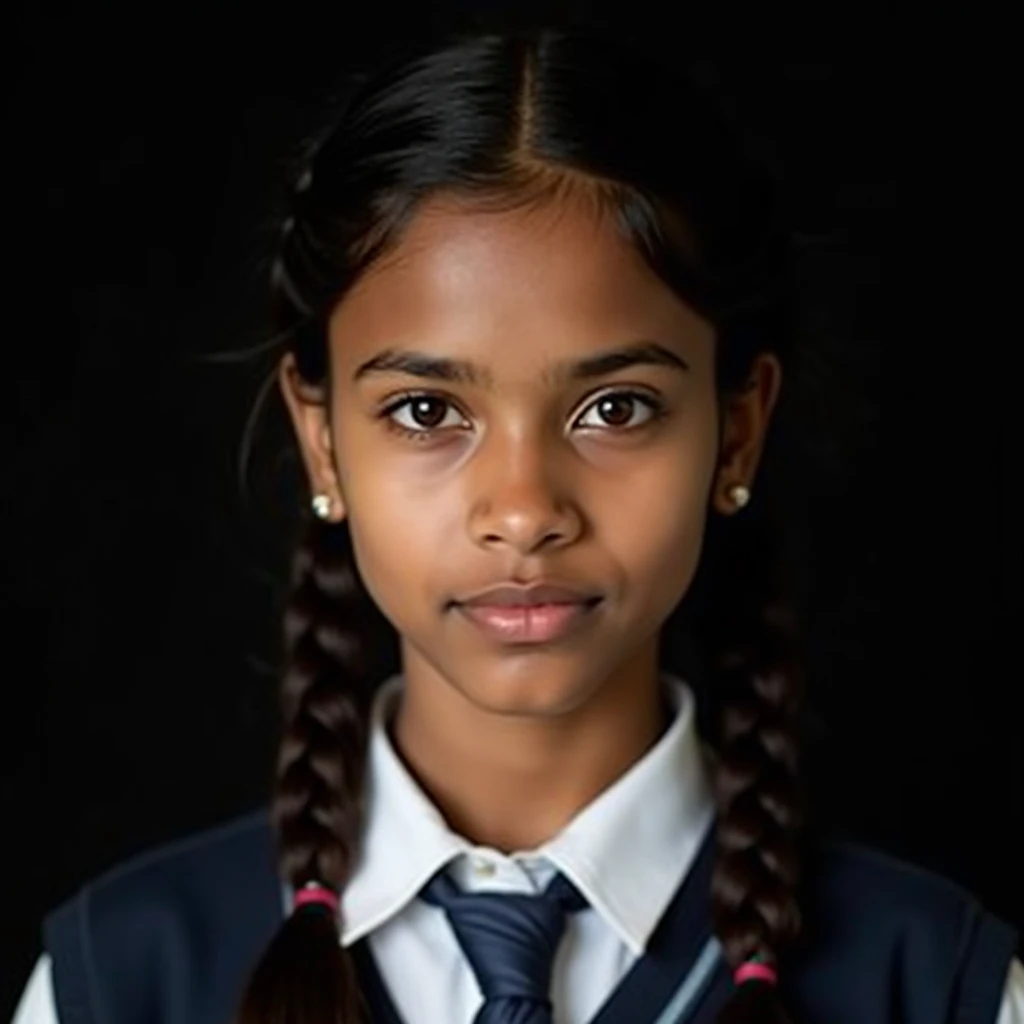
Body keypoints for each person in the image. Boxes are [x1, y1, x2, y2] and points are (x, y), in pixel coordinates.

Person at [10, 20, 1023, 1024]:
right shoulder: (123, 976)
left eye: (615, 408)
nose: (524, 510)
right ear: (321, 441)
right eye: (425, 411)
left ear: (737, 431)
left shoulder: (934, 982)